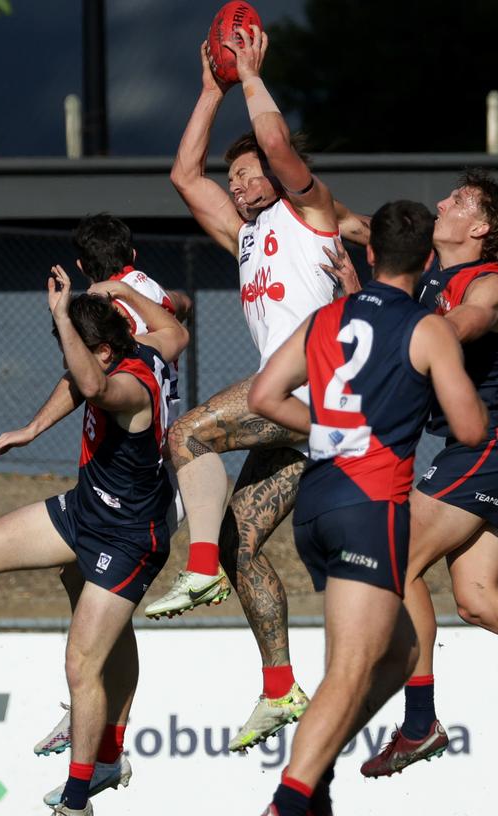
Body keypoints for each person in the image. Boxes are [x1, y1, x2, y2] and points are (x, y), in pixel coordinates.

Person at [326, 171, 498, 780]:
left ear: (478, 228)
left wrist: (401, 333)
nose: (441, 203)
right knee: (477, 600)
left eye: (456, 201)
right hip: (480, 453)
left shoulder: (490, 281)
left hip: (489, 450)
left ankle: (420, 720)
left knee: (391, 557)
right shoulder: (427, 275)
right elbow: (341, 216)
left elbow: (469, 322)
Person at [144, 25, 369, 752]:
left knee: (185, 433)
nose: (238, 182)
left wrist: (248, 77)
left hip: (315, 391)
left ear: (279, 177)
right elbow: (184, 176)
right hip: (302, 417)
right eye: (233, 176)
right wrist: (211, 90)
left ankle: (198, 566)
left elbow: (276, 150)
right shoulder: (243, 235)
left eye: (248, 174)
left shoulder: (310, 214)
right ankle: (280, 687)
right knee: (242, 539)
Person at [246, 200, 488, 816]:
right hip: (370, 504)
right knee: (353, 665)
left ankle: (312, 788)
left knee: (400, 651)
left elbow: (264, 396)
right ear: (428, 261)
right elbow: (469, 430)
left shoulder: (326, 317)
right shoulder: (427, 327)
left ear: (371, 254)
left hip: (316, 505)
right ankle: (290, 801)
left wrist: (329, 426)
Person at [0, 266, 187, 816]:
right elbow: (172, 329)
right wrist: (32, 428)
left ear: (104, 351)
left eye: (77, 350)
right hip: (85, 510)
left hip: (129, 538)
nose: (69, 360)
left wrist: (63, 316)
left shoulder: (128, 388)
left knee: (82, 666)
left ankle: (75, 805)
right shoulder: (151, 343)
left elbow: (97, 388)